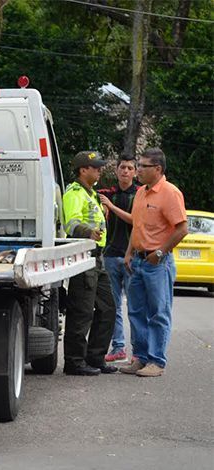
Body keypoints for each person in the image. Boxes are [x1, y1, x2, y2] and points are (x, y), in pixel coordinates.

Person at [121, 148, 188, 377]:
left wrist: (160, 253)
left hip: (157, 263)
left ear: (157, 169)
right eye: (138, 165)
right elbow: (136, 227)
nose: (137, 170)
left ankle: (157, 361)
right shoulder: (140, 193)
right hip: (138, 262)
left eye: (142, 166)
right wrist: (129, 253)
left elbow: (182, 229)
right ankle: (140, 357)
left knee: (158, 313)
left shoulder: (170, 193)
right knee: (136, 311)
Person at [61, 151, 118, 376]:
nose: (99, 170)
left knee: (107, 309)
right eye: (95, 167)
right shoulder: (74, 193)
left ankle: (95, 358)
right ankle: (74, 362)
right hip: (83, 256)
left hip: (98, 257)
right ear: (83, 170)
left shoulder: (91, 193)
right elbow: (71, 224)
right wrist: (88, 232)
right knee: (82, 311)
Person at [97, 156, 139, 363]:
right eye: (122, 167)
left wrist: (111, 208)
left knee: (135, 306)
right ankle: (118, 348)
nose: (125, 171)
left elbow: (135, 220)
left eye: (130, 168)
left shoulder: (140, 194)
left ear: (135, 172)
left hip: (131, 257)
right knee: (113, 306)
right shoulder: (106, 194)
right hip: (111, 255)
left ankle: (138, 352)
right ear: (116, 170)